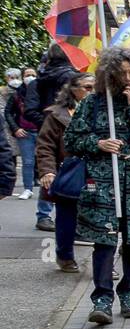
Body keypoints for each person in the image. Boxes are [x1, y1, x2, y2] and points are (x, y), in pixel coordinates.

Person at [63, 47, 130, 325]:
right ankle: (102, 299)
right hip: (104, 185)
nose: (128, 78)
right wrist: (97, 143)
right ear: (109, 75)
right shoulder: (94, 104)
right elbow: (72, 140)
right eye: (121, 73)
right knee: (104, 242)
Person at [35, 72, 94, 272]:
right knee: (66, 218)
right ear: (73, 89)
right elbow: (45, 146)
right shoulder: (56, 115)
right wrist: (47, 172)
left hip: (97, 174)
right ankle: (65, 256)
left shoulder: (105, 112)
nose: (91, 92)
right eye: (87, 87)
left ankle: (104, 262)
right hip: (68, 172)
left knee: (102, 219)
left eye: (95, 87)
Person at [17, 46, 73, 227]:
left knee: (49, 170)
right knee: (70, 170)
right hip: (68, 130)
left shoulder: (37, 82)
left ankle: (44, 215)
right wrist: (54, 122)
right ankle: (61, 215)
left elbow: (29, 111)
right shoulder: (74, 80)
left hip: (47, 131)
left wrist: (47, 123)